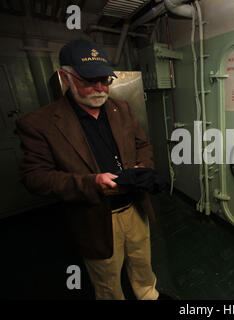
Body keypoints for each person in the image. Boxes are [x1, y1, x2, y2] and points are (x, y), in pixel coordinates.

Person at [15, 38, 159, 300]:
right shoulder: (39, 124)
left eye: (106, 80)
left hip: (136, 207)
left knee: (142, 265)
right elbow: (34, 177)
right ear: (65, 77)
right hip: (96, 216)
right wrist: (92, 183)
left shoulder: (122, 108)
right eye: (89, 80)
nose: (100, 88)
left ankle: (148, 294)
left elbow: (143, 145)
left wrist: (142, 167)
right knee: (107, 282)